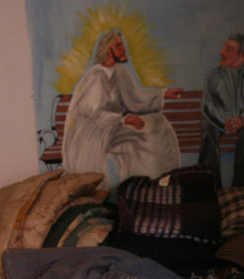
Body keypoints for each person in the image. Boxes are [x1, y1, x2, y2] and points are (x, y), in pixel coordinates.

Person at [62, 29, 183, 192]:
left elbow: (136, 99)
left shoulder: (120, 72)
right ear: (107, 50)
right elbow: (92, 114)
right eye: (119, 46)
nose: (124, 49)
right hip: (91, 134)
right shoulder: (97, 76)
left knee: (156, 124)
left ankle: (155, 184)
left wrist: (163, 93)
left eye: (122, 45)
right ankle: (138, 188)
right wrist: (124, 119)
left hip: (112, 127)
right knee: (139, 131)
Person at [198, 33, 244, 187]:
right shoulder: (214, 77)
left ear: (241, 54)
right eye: (224, 48)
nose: (222, 52)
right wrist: (223, 121)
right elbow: (207, 105)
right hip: (221, 122)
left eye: (229, 49)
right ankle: (208, 185)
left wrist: (243, 120)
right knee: (207, 125)